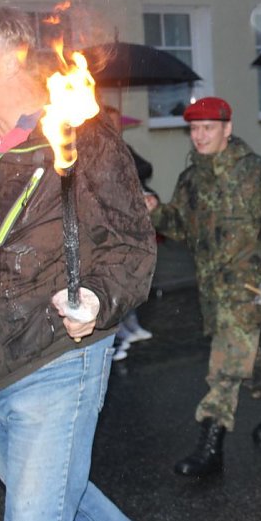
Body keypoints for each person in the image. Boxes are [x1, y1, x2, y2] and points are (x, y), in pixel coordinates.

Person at [0, 1, 156, 521]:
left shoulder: (84, 138)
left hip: (55, 360)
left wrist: (98, 300)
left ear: (13, 56)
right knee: (70, 502)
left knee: (35, 515)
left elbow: (130, 246)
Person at [145, 97, 261, 477]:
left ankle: (210, 446)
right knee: (243, 357)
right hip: (213, 290)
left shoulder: (257, 173)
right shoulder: (191, 178)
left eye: (207, 128)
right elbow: (182, 227)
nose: (199, 136)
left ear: (227, 129)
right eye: (194, 129)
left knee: (224, 368)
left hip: (249, 291)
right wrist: (154, 210)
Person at [103, 105, 155, 362]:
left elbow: (145, 168)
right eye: (111, 122)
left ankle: (130, 327)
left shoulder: (122, 148)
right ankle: (116, 337)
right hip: (109, 229)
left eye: (118, 122)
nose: (117, 127)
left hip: (129, 226)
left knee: (130, 277)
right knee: (112, 282)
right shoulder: (98, 151)